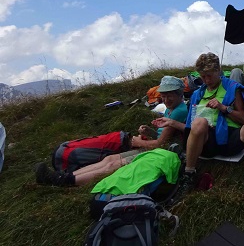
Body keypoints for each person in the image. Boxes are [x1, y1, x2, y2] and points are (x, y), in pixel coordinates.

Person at [35, 76, 189, 187]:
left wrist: (138, 142)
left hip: (161, 153)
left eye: (170, 96)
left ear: (180, 94)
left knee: (114, 164)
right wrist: (149, 131)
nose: (166, 100)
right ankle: (64, 176)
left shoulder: (178, 111)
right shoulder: (172, 109)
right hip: (153, 147)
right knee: (109, 159)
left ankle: (66, 181)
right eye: (163, 96)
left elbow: (162, 144)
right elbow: (165, 135)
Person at [179, 52, 244, 206]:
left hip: (230, 138)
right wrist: (203, 126)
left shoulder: (231, 88)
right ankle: (189, 174)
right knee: (199, 123)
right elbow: (190, 124)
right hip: (207, 141)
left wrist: (223, 108)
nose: (206, 80)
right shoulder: (198, 93)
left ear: (218, 70)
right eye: (203, 76)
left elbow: (243, 119)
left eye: (209, 76)